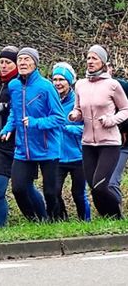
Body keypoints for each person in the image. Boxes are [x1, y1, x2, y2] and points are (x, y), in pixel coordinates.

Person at [0, 46, 46, 227]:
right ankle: (0, 229)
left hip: (19, 142)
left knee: (23, 188)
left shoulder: (23, 84)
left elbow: (21, 106)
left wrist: (5, 107)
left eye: (8, 62)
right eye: (1, 62)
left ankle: (43, 220)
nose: (4, 66)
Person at [0, 47, 64, 222]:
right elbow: (15, 111)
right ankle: (35, 221)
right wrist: (7, 128)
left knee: (51, 193)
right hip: (23, 148)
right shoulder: (14, 85)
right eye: (20, 60)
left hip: (47, 147)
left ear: (35, 64)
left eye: (27, 59)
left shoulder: (46, 87)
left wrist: (36, 123)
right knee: (18, 188)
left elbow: (59, 118)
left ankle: (53, 222)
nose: (22, 63)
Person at [69, 45, 128, 219]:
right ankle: (107, 219)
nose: (90, 62)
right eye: (88, 58)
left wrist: (112, 120)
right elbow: (78, 108)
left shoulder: (112, 85)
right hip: (88, 143)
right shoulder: (80, 85)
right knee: (93, 186)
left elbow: (125, 109)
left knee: (101, 185)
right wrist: (75, 115)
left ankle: (117, 216)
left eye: (94, 58)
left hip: (109, 143)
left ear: (103, 62)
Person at [51, 62, 90, 221]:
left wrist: (67, 127)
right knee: (54, 191)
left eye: (62, 79)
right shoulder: (51, 99)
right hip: (57, 155)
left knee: (78, 193)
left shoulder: (78, 101)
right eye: (55, 79)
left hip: (78, 155)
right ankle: (62, 221)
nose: (58, 83)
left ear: (69, 82)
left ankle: (85, 221)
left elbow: (87, 127)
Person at [108, 62, 128, 202]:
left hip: (122, 141)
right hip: (112, 143)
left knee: (111, 182)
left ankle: (116, 216)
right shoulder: (88, 88)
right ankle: (113, 215)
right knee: (107, 183)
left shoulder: (122, 86)